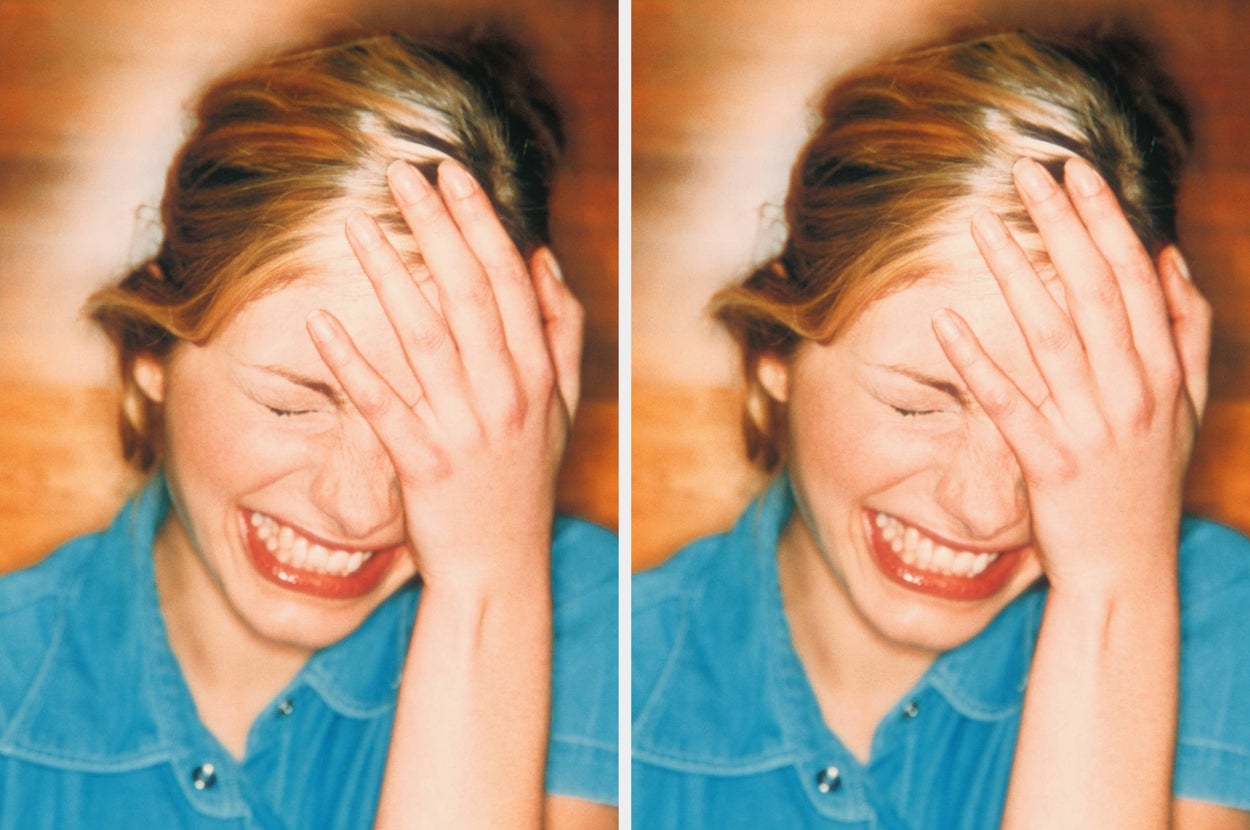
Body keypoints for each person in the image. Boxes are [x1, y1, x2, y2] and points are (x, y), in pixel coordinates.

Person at [632, 28, 1250, 829]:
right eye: (919, 404)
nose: (987, 508)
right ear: (776, 352)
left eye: (1058, 422)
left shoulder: (1210, 609)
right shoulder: (619, 664)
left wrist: (1114, 595)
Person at [0, 32, 617, 829]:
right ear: (153, 350)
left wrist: (488, 587)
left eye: (433, 418)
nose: (359, 508)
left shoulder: (595, 617)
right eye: (294, 404)